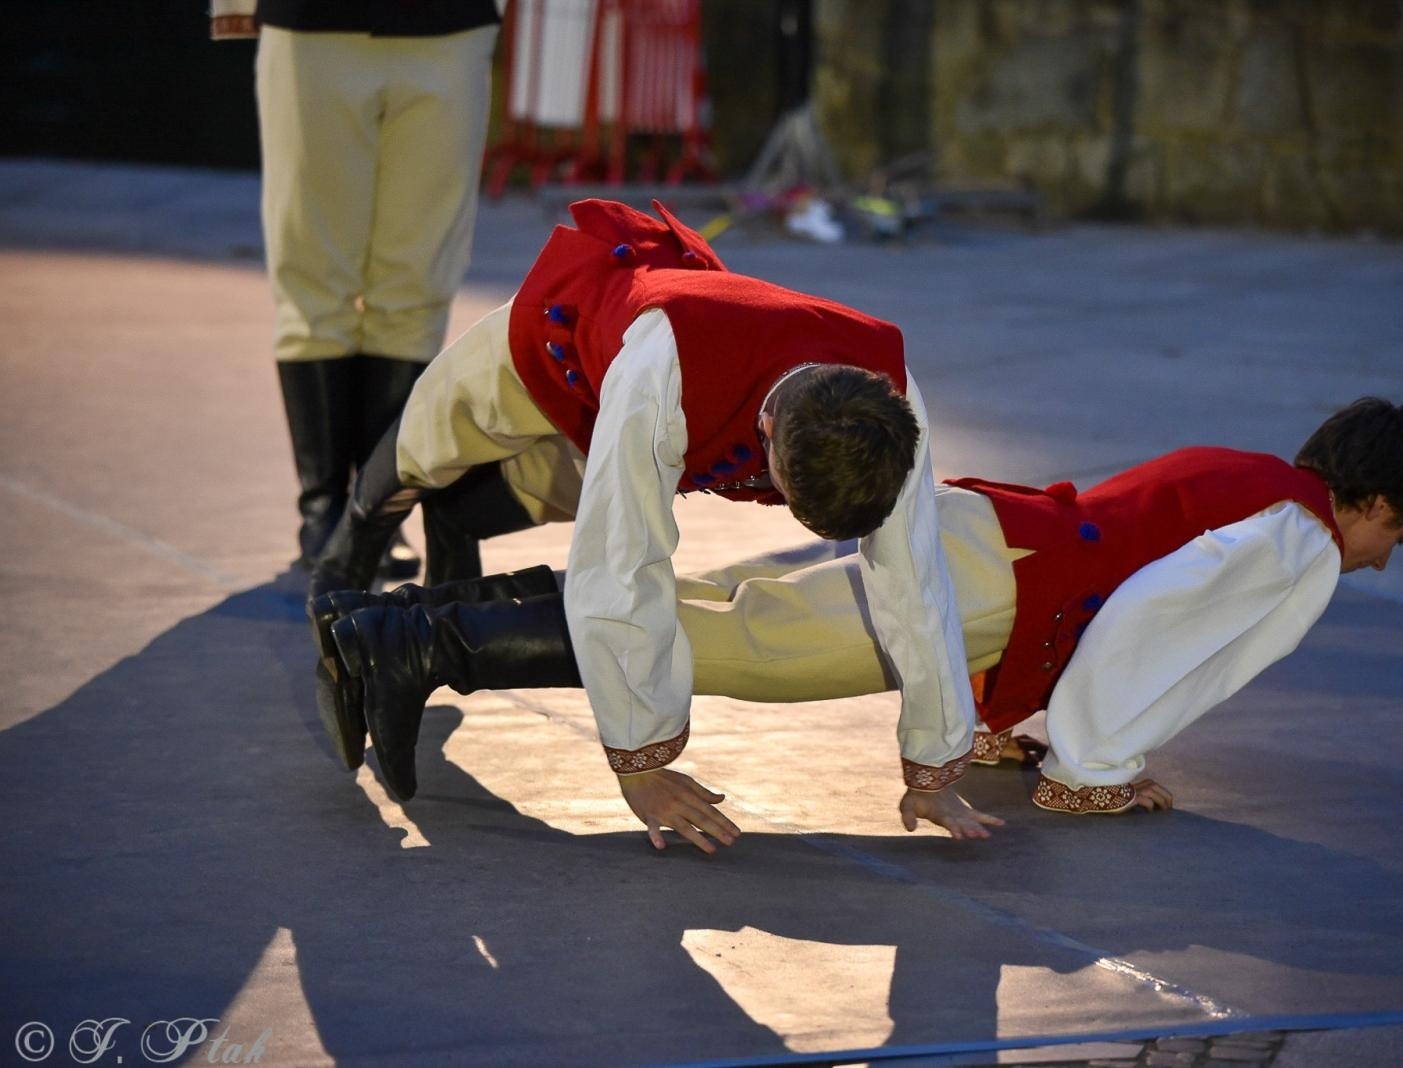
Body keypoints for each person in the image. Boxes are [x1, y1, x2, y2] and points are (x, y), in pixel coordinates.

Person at [323, 397, 1403, 820]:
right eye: (1393, 535)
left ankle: (411, 619)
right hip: (991, 588)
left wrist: (1019, 730)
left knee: (715, 602)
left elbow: (1124, 563)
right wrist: (1092, 768)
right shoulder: (1300, 539)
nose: (1379, 560)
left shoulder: (1251, 472)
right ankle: (418, 635)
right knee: (725, 636)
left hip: (979, 534)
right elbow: (1151, 620)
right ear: (1368, 498)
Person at [308, 198, 993, 853]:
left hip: (643, 393)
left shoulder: (892, 406)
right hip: (560, 335)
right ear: (767, 431)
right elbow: (621, 564)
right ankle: (349, 547)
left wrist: (933, 767)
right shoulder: (666, 370)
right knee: (427, 443)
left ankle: (445, 543)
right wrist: (641, 764)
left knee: (533, 489)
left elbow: (916, 581)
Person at [210, 0, 502, 572]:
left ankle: (374, 516)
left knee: (416, 281)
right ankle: (323, 513)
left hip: (451, 26)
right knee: (313, 274)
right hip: (310, 23)